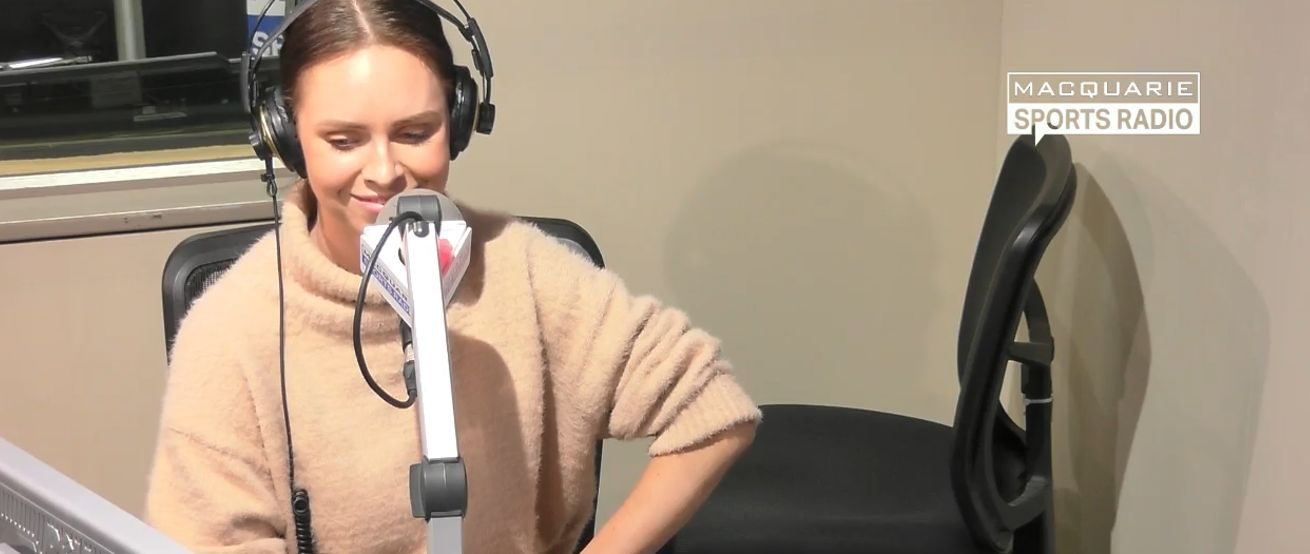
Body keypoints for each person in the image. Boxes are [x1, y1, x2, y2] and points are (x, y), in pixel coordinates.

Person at [143, 0, 761, 552]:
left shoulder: (525, 269)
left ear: (459, 119)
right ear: (285, 135)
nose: (384, 172)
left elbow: (708, 407)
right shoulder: (230, 331)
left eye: (415, 133)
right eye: (344, 140)